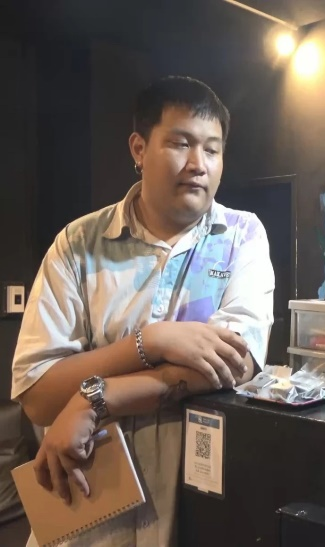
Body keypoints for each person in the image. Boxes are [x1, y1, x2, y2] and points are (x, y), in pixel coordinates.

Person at [10, 75, 275, 546]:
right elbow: (38, 396)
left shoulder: (241, 236)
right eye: (181, 143)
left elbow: (235, 362)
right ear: (139, 148)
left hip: (190, 515)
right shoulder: (78, 245)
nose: (198, 164)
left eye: (212, 150)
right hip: (86, 520)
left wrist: (97, 397)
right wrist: (151, 342)